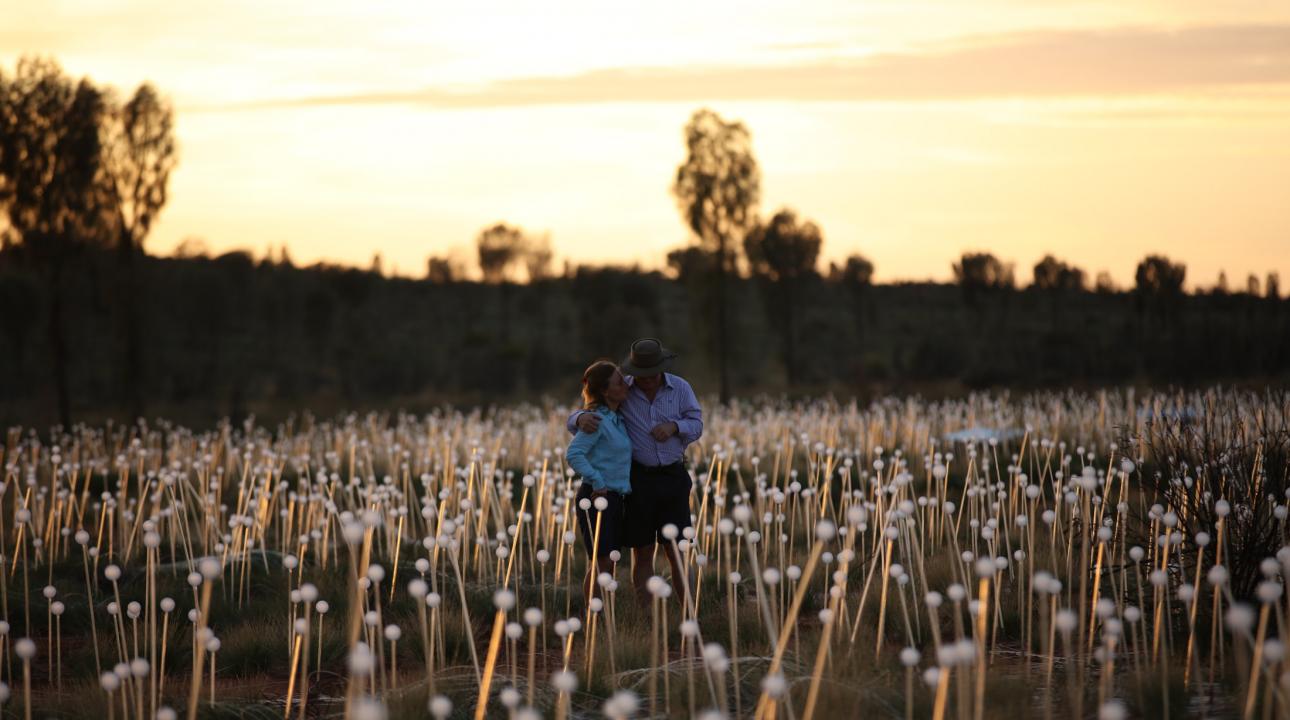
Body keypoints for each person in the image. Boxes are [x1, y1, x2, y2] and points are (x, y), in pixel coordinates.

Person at [567, 338, 703, 607]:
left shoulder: (680, 388)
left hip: (673, 478)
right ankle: (646, 617)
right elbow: (590, 409)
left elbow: (697, 423)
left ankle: (691, 614)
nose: (647, 380)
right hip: (637, 481)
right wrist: (578, 418)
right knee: (642, 551)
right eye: (641, 375)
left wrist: (675, 427)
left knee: (678, 551)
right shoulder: (623, 388)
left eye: (652, 374)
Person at [564, 360, 632, 604]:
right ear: (605, 390)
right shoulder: (596, 420)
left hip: (614, 496)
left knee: (609, 561)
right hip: (596, 496)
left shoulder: (616, 418)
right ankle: (594, 617)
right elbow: (573, 454)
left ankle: (600, 615)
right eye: (618, 382)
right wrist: (597, 481)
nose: (626, 385)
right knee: (602, 561)